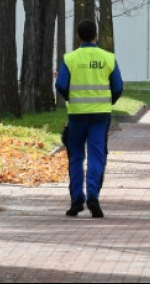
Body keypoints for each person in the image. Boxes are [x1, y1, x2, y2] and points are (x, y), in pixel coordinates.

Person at [54, 19, 123, 218]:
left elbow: (61, 85)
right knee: (97, 154)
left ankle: (77, 200)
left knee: (76, 156)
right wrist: (108, 102)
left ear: (78, 37)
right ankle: (93, 195)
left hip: (77, 115)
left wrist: (71, 99)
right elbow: (118, 87)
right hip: (100, 116)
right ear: (96, 35)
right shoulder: (108, 58)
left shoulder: (70, 59)